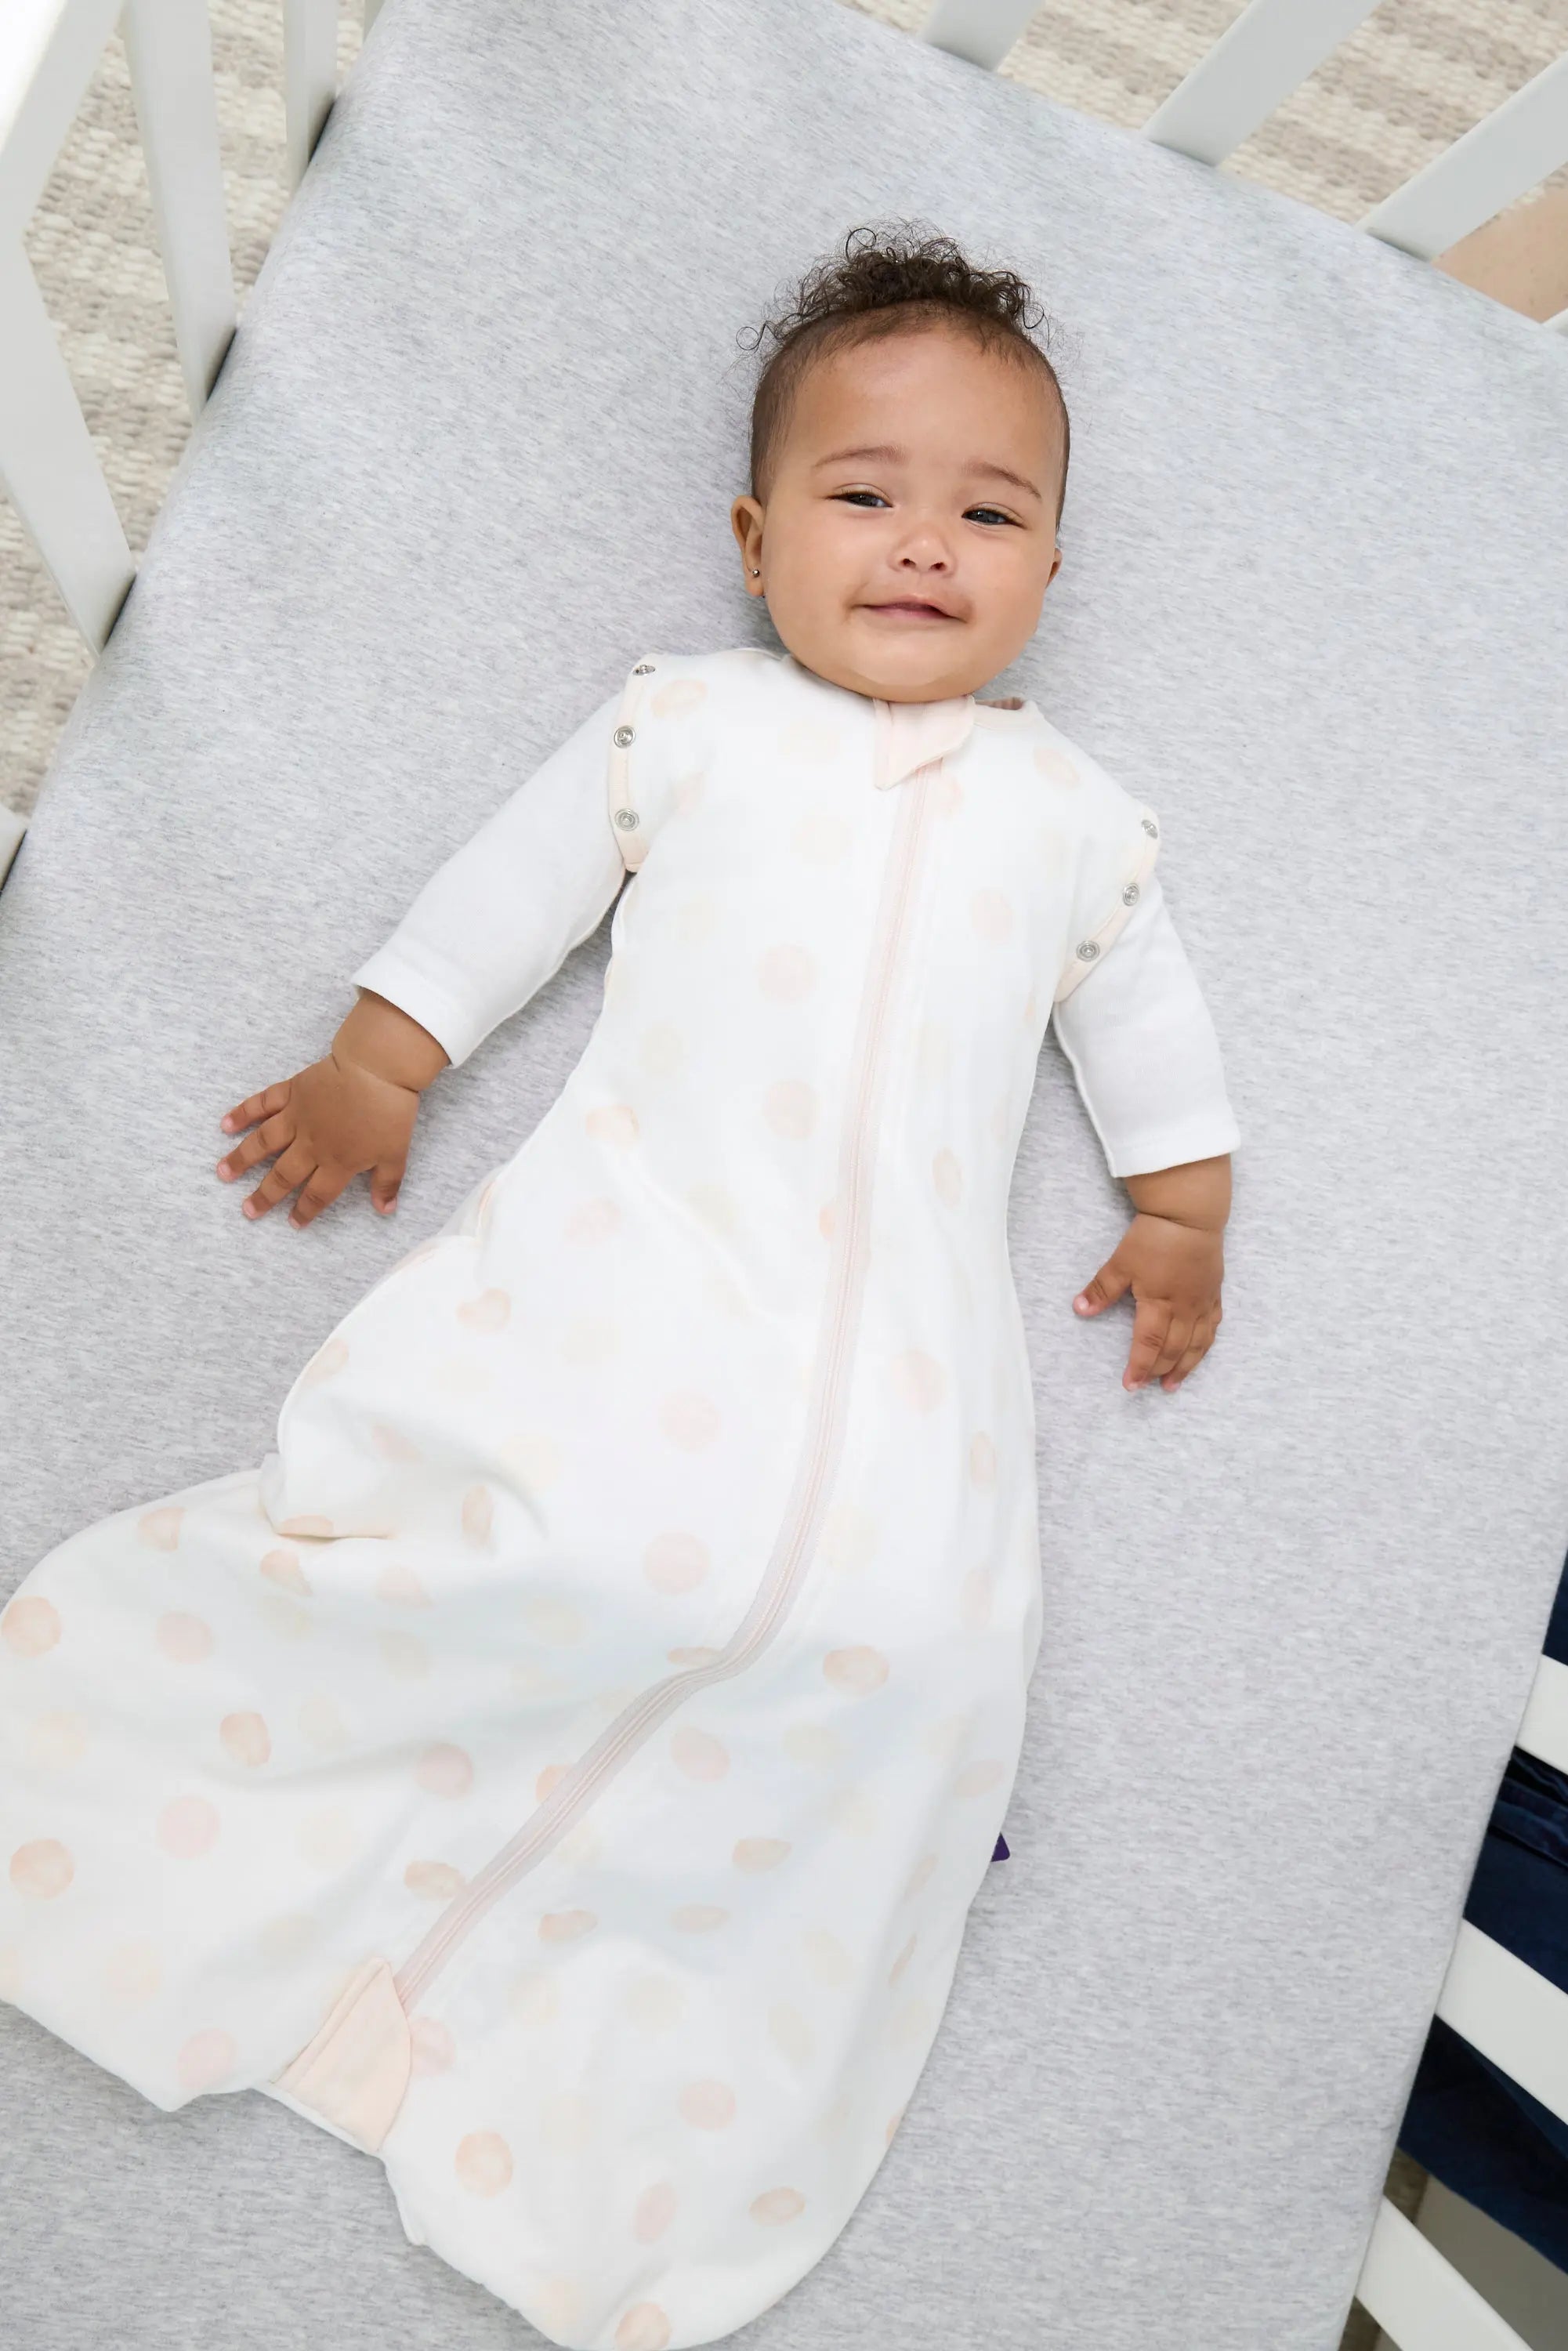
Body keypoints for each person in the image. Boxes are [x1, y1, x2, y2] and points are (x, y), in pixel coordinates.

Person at [0, 226, 1239, 2350]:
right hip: (641, 1270)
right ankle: (244, 1864)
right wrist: (382, 1059)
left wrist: (1182, 1213)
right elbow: (512, 892)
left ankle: (600, 2043)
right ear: (757, 543)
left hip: (906, 1374)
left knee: (914, 1649)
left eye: (988, 514)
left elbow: (1149, 1028)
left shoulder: (1076, 821)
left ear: (1052, 565)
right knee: (542, 1537)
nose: (922, 544)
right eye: (865, 494)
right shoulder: (691, 726)